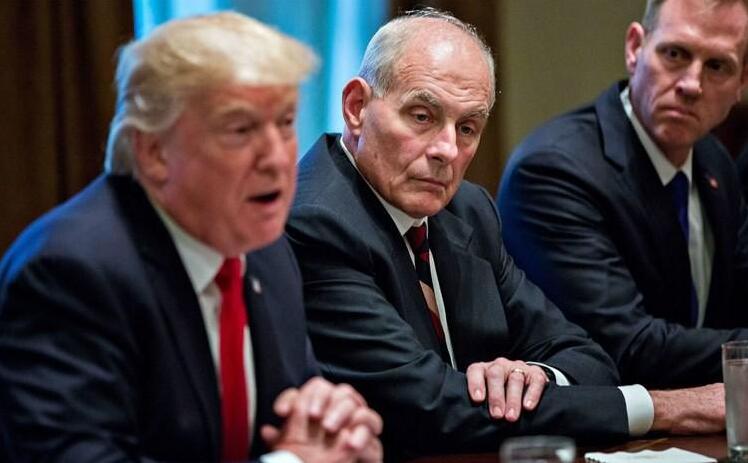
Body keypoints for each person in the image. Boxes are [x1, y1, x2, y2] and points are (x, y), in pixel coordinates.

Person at [287, 8, 724, 461]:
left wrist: (533, 376)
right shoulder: (318, 223)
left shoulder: (467, 210)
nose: (447, 150)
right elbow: (430, 405)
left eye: (467, 128)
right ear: (356, 107)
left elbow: (585, 357)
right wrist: (662, 408)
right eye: (421, 116)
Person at [0, 12, 382, 463]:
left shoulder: (266, 249)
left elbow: (294, 418)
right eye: (240, 130)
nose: (277, 158)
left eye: (284, 124)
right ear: (155, 153)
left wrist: (334, 426)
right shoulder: (71, 273)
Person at [498, 0, 748, 388]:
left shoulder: (714, 162)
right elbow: (626, 348)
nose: (691, 85)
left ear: (741, 83)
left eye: (717, 66)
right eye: (675, 54)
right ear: (635, 48)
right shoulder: (553, 170)